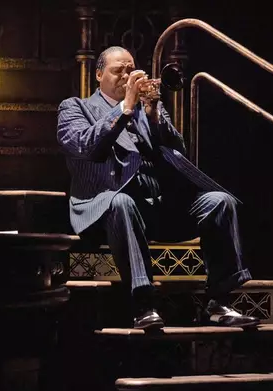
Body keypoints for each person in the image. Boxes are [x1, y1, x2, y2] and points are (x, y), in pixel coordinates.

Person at [57, 46, 259, 330]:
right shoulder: (75, 107)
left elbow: (179, 150)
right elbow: (86, 145)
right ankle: (143, 303)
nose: (127, 76)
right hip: (106, 208)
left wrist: (152, 115)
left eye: (131, 69)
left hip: (157, 206)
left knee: (219, 201)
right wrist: (124, 108)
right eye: (118, 70)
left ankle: (219, 301)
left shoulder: (148, 109)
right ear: (99, 74)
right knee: (121, 202)